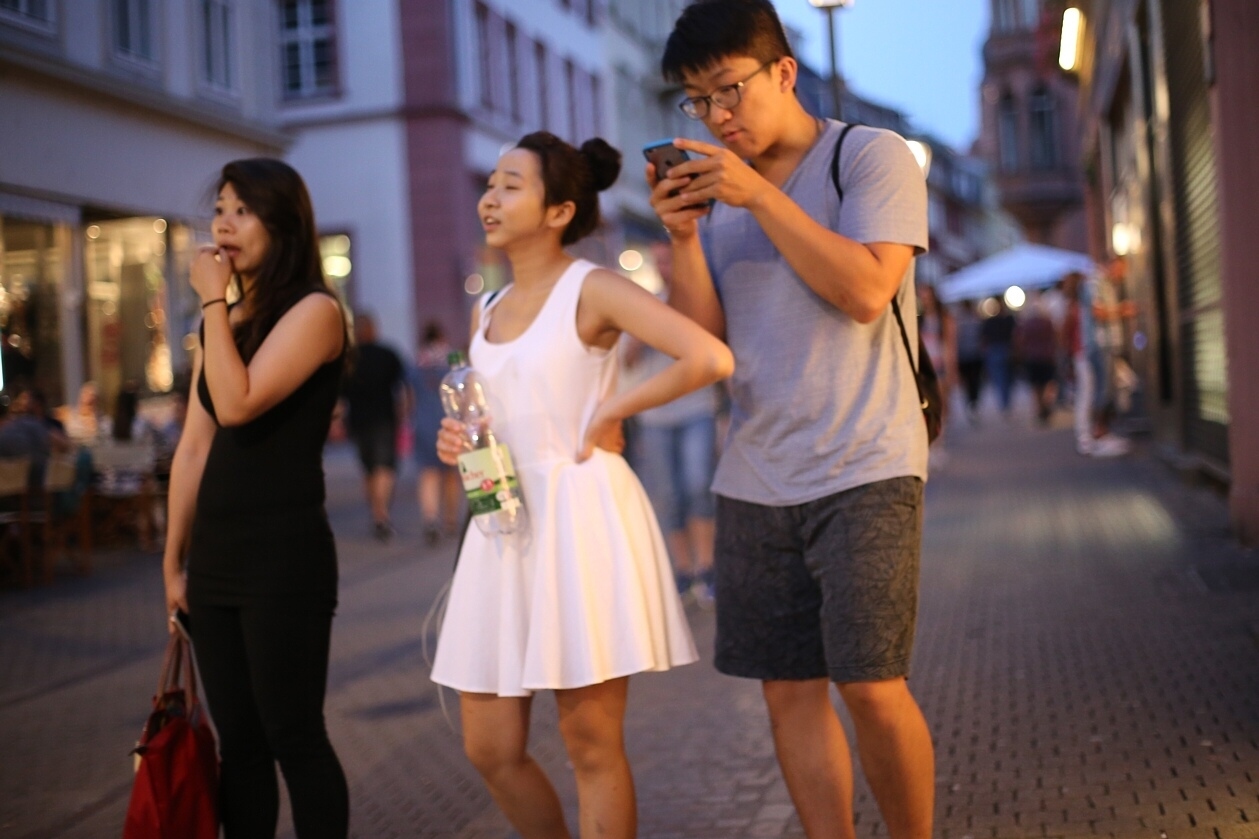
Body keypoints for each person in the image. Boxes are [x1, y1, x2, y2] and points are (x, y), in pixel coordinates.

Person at [649, 2, 934, 837]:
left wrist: (758, 199)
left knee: (872, 683)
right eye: (697, 101)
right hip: (754, 473)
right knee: (788, 688)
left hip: (867, 461)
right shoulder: (717, 192)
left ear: (783, 71)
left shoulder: (867, 156)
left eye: (728, 90)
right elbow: (704, 342)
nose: (716, 116)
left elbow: (863, 291)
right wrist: (682, 238)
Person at [431, 131, 734, 839]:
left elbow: (708, 354)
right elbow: (494, 409)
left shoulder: (590, 287)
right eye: (491, 183)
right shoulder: (488, 306)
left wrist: (614, 406)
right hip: (500, 522)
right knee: (490, 746)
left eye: (511, 184)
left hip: (578, 512)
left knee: (591, 745)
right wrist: (461, 440)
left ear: (559, 209)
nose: (490, 197)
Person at [162, 158, 350, 838]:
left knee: (293, 735)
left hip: (283, 560)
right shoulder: (228, 317)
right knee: (239, 747)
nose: (223, 222)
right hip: (215, 562)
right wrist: (172, 558)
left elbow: (237, 405)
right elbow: (193, 445)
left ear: (282, 223)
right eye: (220, 207)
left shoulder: (316, 311)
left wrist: (213, 301)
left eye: (241, 209)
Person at [623, 240, 720, 606]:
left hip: (697, 408)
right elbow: (627, 364)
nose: (664, 266)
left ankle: (707, 566)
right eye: (659, 260)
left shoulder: (698, 302)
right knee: (668, 494)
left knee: (698, 485)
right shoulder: (643, 306)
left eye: (669, 259)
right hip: (657, 416)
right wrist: (638, 335)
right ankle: (683, 570)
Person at [342, 313, 408, 541]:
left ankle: (376, 513)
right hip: (384, 420)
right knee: (384, 467)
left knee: (369, 469)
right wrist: (404, 411)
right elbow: (403, 386)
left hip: (359, 422)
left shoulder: (349, 359)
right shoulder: (387, 354)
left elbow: (340, 396)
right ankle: (381, 514)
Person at [1063, 261, 1133, 456]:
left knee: (1098, 391)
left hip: (1091, 349)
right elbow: (1095, 314)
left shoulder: (1088, 291)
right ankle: (1095, 436)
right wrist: (1122, 310)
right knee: (1096, 392)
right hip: (1095, 347)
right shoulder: (1094, 284)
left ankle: (1095, 435)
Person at [408, 320, 461, 545]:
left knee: (428, 473)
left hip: (423, 422)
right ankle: (450, 520)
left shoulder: (417, 361)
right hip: (450, 422)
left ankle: (431, 519)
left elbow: (410, 396)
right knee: (451, 474)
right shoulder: (452, 358)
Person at [1014, 294, 1059, 424]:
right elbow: (1055, 337)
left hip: (1032, 358)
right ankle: (1046, 403)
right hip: (1047, 356)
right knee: (1049, 382)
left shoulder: (1026, 325)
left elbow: (1019, 341)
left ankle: (1039, 408)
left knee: (1036, 386)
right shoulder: (1047, 322)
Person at [918, 284, 956, 437]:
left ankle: (940, 436)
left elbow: (950, 344)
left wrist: (951, 369)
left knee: (941, 403)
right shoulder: (918, 319)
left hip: (939, 364)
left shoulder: (943, 318)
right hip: (924, 365)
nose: (924, 300)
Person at [981, 298, 1017, 416]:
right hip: (1000, 350)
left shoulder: (1003, 320)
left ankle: (1004, 402)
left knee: (1002, 378)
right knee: (1002, 378)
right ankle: (1005, 402)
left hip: (1000, 350)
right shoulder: (1005, 319)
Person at [954, 299, 985, 424]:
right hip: (974, 356)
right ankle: (974, 402)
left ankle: (971, 403)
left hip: (965, 357)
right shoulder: (975, 320)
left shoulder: (959, 321)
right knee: (975, 381)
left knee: (969, 382)